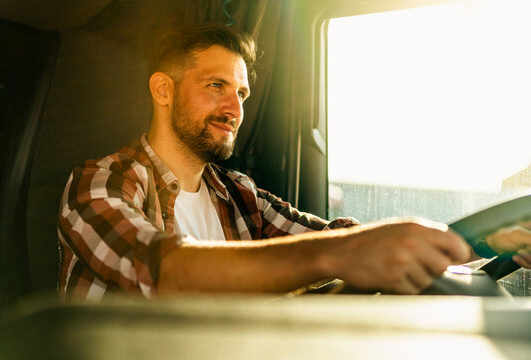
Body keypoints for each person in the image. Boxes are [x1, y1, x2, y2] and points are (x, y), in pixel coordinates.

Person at [57, 23, 529, 301]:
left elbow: (341, 238)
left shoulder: (236, 193)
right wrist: (339, 255)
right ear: (163, 90)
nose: (235, 109)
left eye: (241, 93)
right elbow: (156, 269)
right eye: (216, 86)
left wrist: (483, 241)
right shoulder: (102, 181)